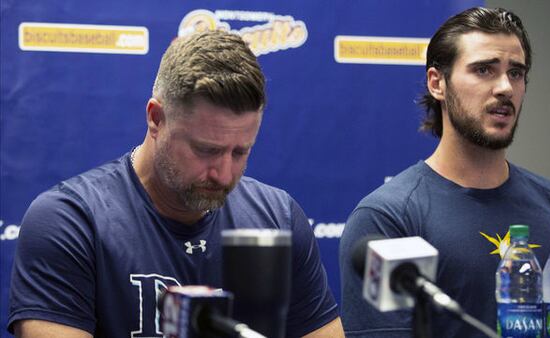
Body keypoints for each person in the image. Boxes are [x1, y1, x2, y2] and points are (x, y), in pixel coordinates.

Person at [8, 30, 344, 338]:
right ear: (156, 119)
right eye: (205, 150)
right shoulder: (71, 221)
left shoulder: (277, 219)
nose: (224, 175)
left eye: (241, 152)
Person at [339, 7, 550, 338]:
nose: (505, 87)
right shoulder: (388, 218)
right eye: (484, 70)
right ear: (437, 83)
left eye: (516, 73)